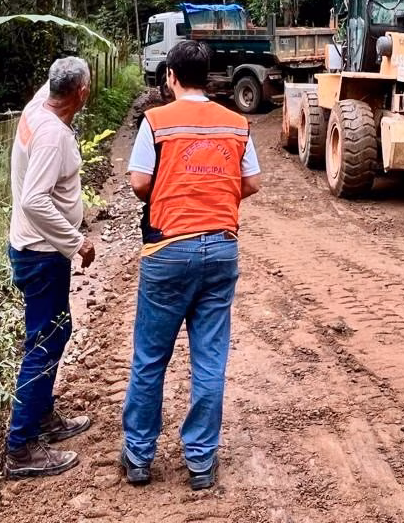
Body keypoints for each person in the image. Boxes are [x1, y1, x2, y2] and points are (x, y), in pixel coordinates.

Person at [120, 39, 262, 491]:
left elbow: (139, 181)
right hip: (221, 248)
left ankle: (139, 457)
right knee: (209, 358)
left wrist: (170, 191)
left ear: (171, 77)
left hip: (168, 250)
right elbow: (252, 182)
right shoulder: (236, 123)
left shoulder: (156, 122)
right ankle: (201, 461)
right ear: (209, 77)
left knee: (150, 358)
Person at [6, 56, 97, 477]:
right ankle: (21, 447)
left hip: (34, 247)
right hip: (42, 253)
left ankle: (42, 417)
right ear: (81, 92)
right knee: (45, 341)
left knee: (56, 331)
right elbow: (33, 200)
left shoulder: (39, 105)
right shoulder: (52, 136)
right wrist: (77, 242)